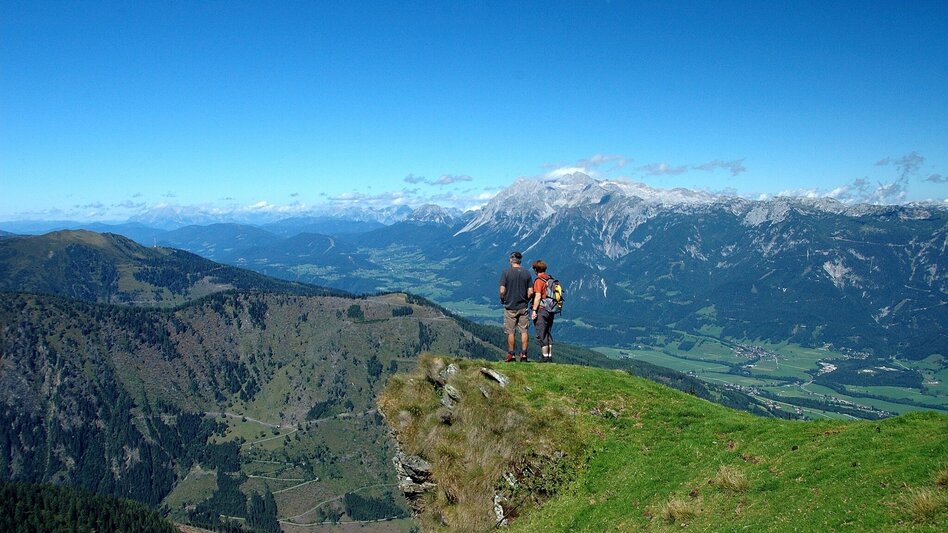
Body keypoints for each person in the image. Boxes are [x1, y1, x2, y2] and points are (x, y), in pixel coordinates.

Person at [499, 251, 533, 362]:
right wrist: (526, 300)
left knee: (510, 331)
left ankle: (511, 354)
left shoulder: (506, 273)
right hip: (523, 306)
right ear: (520, 261)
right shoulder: (527, 273)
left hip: (510, 306)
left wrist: (502, 299)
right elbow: (530, 292)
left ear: (511, 260)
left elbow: (502, 290)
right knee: (524, 331)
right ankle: (524, 354)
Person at [531, 259, 555, 362]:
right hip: (551, 310)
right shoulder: (550, 280)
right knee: (548, 332)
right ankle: (549, 356)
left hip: (542, 309)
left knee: (541, 333)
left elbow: (538, 296)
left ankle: (545, 358)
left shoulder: (539, 281)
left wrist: (534, 310)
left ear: (536, 269)